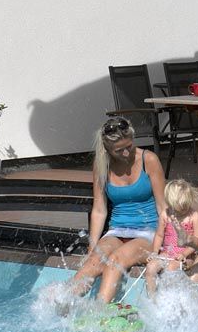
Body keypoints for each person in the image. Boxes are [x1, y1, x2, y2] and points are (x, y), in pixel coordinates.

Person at [72, 117, 168, 305]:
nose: (125, 152)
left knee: (115, 260)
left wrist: (167, 243)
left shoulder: (149, 160)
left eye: (129, 146)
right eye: (118, 150)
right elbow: (99, 210)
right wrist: (92, 248)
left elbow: (162, 206)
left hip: (148, 233)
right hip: (117, 231)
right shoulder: (102, 165)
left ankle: (99, 313)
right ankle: (62, 306)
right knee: (93, 262)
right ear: (107, 149)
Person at [146, 179, 198, 282]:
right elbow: (159, 235)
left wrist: (184, 254)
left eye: (185, 206)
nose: (183, 210)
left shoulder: (194, 216)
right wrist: (154, 252)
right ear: (170, 203)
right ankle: (152, 292)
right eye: (179, 208)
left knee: (171, 268)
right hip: (167, 253)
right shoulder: (165, 214)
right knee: (151, 267)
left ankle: (169, 292)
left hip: (187, 256)